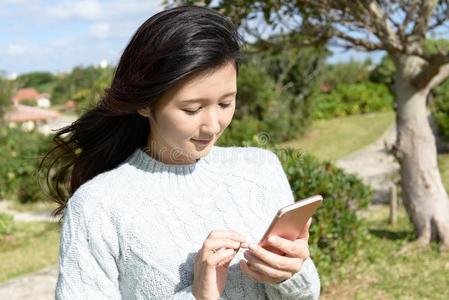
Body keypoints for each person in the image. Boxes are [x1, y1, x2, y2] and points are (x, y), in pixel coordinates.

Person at [40, 5, 320, 300]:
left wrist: (291, 274)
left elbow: (306, 294)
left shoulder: (261, 168)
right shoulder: (97, 206)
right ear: (145, 103)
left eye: (226, 103)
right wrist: (197, 296)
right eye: (192, 109)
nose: (213, 126)